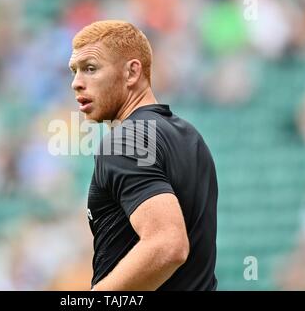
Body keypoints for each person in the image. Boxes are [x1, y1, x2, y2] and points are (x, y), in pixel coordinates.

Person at [68, 20, 218, 290]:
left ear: (132, 72)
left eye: (90, 69)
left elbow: (168, 244)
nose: (77, 83)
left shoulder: (124, 141)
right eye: (75, 71)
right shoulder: (189, 136)